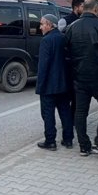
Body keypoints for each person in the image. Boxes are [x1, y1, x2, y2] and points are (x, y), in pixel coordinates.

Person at [64, 0, 98, 158]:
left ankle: (84, 146)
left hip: (79, 77)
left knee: (80, 112)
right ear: (96, 9)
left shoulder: (71, 27)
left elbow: (66, 51)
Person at [35, 14, 74, 150]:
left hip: (49, 85)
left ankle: (50, 141)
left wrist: (39, 86)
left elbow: (43, 65)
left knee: (48, 113)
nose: (40, 27)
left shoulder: (46, 41)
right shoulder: (63, 38)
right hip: (64, 84)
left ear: (50, 25)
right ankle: (68, 139)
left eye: (42, 24)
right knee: (65, 111)